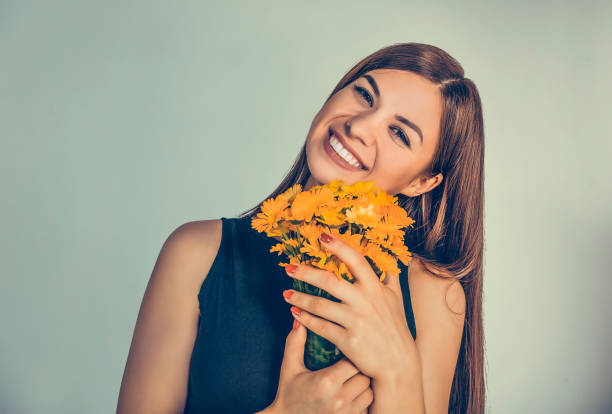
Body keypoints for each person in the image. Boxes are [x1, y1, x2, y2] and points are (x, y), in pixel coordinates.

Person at [116, 42, 485, 414]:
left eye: (399, 133)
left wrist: (399, 372)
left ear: (421, 183)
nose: (358, 126)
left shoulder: (434, 294)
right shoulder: (197, 252)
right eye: (363, 95)